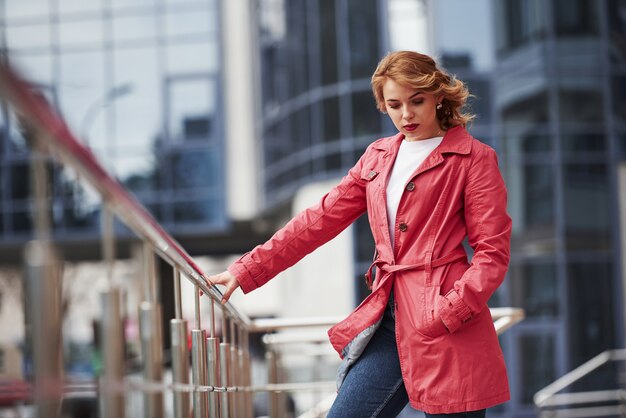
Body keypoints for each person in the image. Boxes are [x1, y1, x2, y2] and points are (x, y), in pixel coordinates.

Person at [208, 50, 512, 417]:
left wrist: (451, 311)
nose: (406, 114)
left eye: (417, 101)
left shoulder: (473, 158)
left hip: (445, 324)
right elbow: (319, 219)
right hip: (387, 320)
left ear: (438, 95)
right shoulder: (377, 157)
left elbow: (492, 252)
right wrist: (247, 269)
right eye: (395, 104)